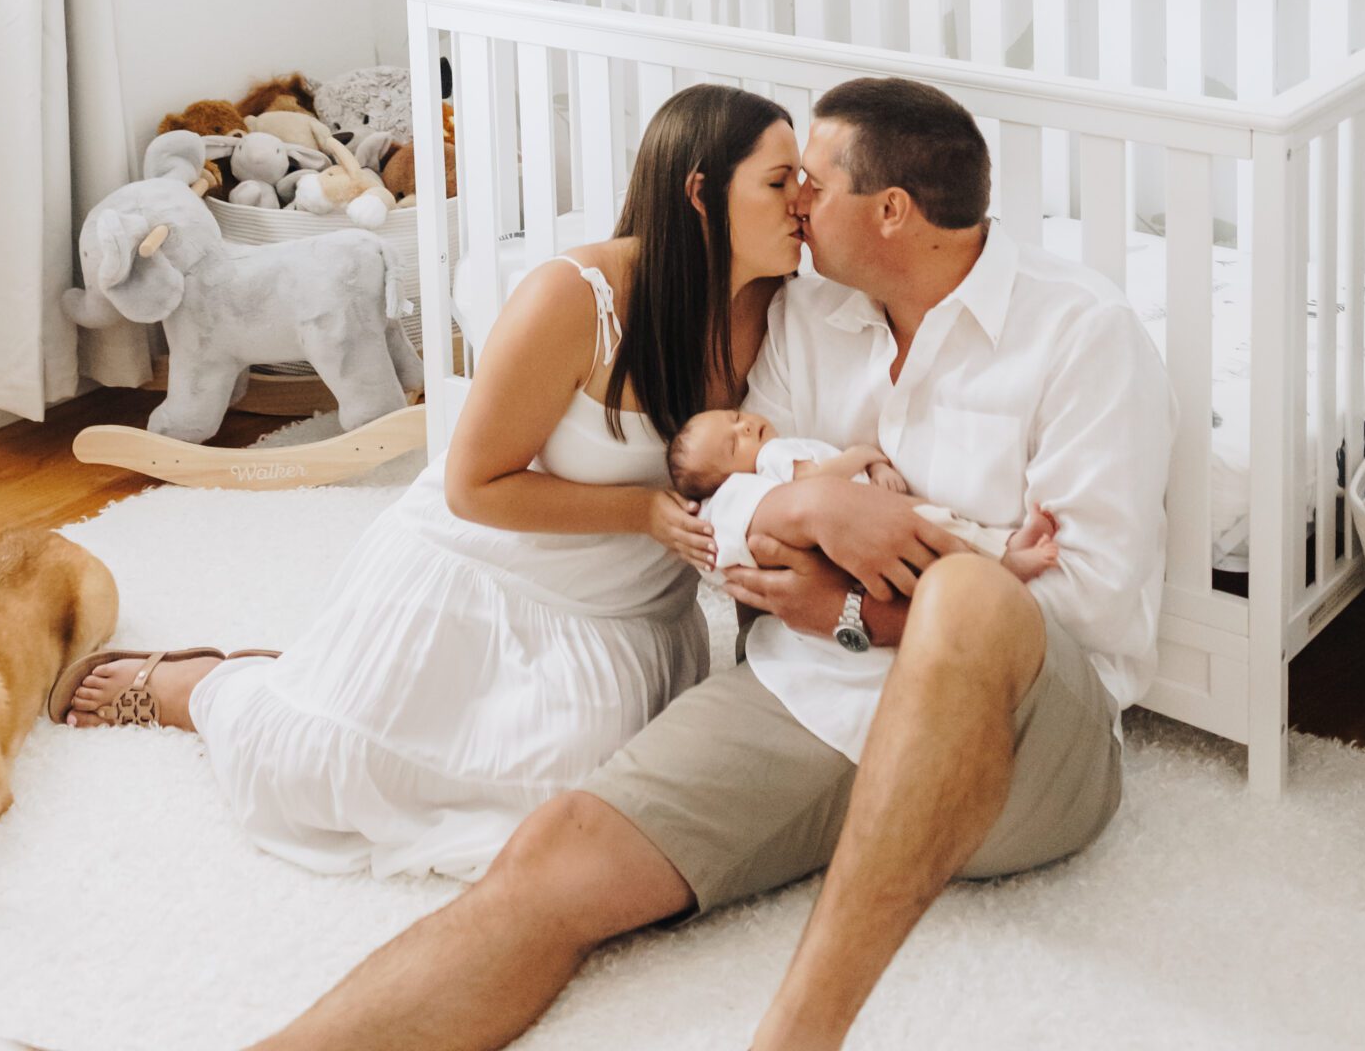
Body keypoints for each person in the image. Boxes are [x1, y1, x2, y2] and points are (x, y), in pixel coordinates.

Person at [239, 74, 1173, 1051]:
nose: (799, 203)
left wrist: (851, 608)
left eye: (814, 181)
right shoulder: (806, 313)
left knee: (973, 600)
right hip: (808, 697)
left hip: (1021, 746)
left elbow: (1087, 606)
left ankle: (797, 1037)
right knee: (554, 858)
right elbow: (720, 501)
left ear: (891, 210)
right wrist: (803, 501)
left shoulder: (1081, 333)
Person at [58, 84, 813, 882]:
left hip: (620, 616)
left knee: (565, 814)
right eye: (778, 181)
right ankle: (206, 685)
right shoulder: (578, 297)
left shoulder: (780, 307)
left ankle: (307, 674)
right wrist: (645, 512)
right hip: (482, 574)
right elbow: (473, 486)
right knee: (323, 777)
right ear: (699, 193)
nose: (802, 200)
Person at [667, 404, 1063, 582]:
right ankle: (1011, 567)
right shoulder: (771, 460)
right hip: (873, 518)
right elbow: (818, 483)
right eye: (733, 446)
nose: (746, 429)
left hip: (873, 506)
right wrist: (863, 455)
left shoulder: (779, 447)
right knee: (945, 538)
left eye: (736, 419)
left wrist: (875, 468)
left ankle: (1012, 543)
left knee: (949, 524)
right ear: (731, 482)